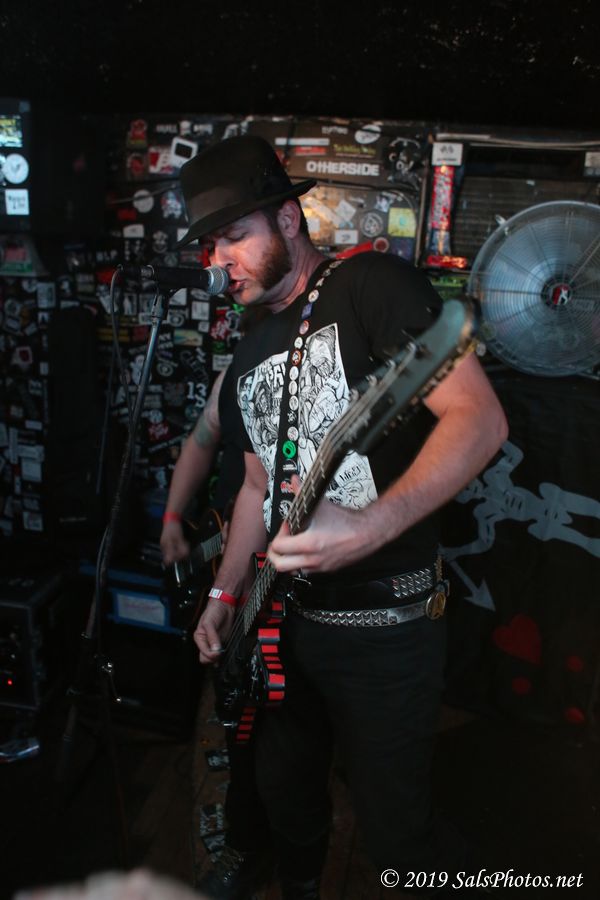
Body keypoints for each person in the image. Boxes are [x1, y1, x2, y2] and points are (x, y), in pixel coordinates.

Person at [178, 135, 508, 899]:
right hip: (285, 626)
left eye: (234, 236)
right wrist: (225, 593)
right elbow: (255, 486)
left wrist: (369, 525)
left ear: (288, 220)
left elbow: (480, 419)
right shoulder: (249, 345)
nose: (218, 260)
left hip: (385, 632)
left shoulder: (372, 286)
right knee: (288, 798)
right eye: (209, 246)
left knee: (396, 831)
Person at [160, 365, 271, 899]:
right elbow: (203, 437)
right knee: (241, 713)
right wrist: (172, 518)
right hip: (232, 563)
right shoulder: (239, 367)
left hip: (288, 563)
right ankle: (245, 846)